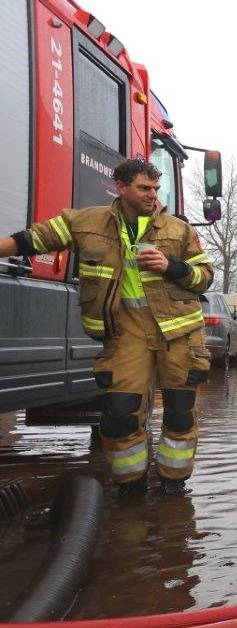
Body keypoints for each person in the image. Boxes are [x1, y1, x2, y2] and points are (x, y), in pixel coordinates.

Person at [0, 159, 213, 496]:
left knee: (179, 413)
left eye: (156, 189)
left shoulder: (179, 229)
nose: (152, 195)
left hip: (179, 335)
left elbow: (205, 277)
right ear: (121, 187)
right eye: (144, 188)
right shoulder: (87, 223)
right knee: (118, 415)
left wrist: (170, 265)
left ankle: (174, 487)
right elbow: (33, 240)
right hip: (126, 334)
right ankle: (131, 487)